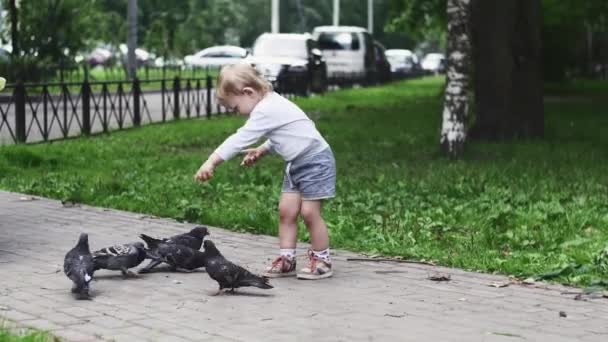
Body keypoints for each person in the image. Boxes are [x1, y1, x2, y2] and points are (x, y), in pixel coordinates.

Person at [194, 63, 336, 280]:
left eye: (234, 107)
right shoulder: (271, 104)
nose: (236, 113)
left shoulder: (266, 108)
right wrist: (263, 148)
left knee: (309, 213)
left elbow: (239, 139)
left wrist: (211, 161)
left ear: (248, 92)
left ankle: (322, 260)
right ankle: (287, 258)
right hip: (296, 163)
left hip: (315, 161)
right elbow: (289, 131)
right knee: (286, 211)